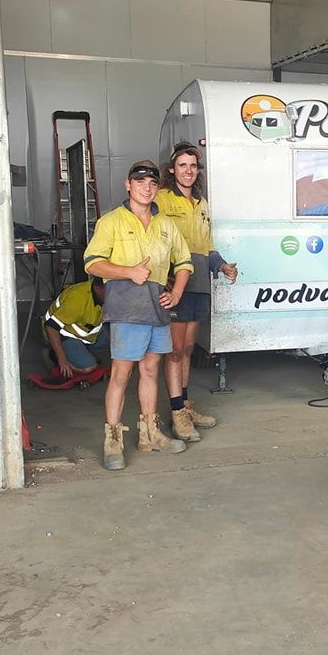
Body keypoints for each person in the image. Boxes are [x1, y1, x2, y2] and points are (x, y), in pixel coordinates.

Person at [84, 160, 194, 470]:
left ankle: (150, 435)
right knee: (121, 373)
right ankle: (113, 440)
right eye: (140, 181)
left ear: (158, 188)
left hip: (156, 307)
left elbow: (184, 262)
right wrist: (128, 271)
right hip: (126, 306)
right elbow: (92, 263)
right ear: (128, 185)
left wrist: (176, 293)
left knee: (150, 369)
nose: (147, 187)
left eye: (152, 183)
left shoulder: (166, 225)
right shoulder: (112, 222)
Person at [155, 141, 238, 443]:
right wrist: (161, 276)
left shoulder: (202, 204)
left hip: (199, 282)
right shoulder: (162, 200)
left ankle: (185, 406)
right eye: (182, 165)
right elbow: (154, 238)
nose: (188, 171)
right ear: (172, 170)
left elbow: (207, 246)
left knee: (188, 349)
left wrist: (222, 265)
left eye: (193, 166)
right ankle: (177, 414)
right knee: (174, 351)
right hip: (176, 282)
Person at [41, 277, 108, 378]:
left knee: (115, 339)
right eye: (111, 290)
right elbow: (51, 327)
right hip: (63, 334)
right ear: (98, 288)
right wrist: (62, 359)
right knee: (89, 367)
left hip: (86, 332)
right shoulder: (77, 299)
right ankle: (53, 354)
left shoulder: (100, 294)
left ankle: (78, 353)